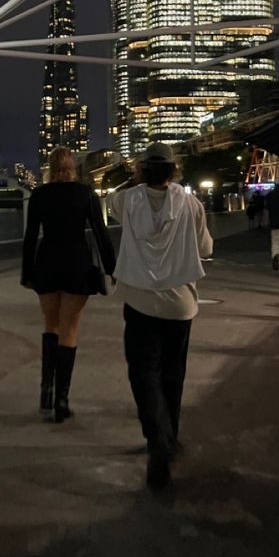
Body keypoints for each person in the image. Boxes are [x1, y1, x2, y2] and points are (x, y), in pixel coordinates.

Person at [110, 143, 213, 491]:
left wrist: (135, 179)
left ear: (141, 172)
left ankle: (157, 438)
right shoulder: (191, 205)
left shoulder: (128, 201)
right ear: (173, 172)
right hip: (180, 304)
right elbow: (205, 249)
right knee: (173, 373)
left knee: (144, 374)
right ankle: (170, 437)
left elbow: (111, 200)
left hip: (139, 301)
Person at [21, 146, 115, 423]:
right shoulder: (86, 194)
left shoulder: (39, 195)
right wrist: (112, 269)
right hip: (77, 266)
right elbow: (100, 233)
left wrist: (27, 273)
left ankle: (46, 392)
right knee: (69, 328)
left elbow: (29, 237)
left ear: (50, 168)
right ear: (73, 167)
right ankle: (62, 399)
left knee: (49, 325)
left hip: (46, 264)